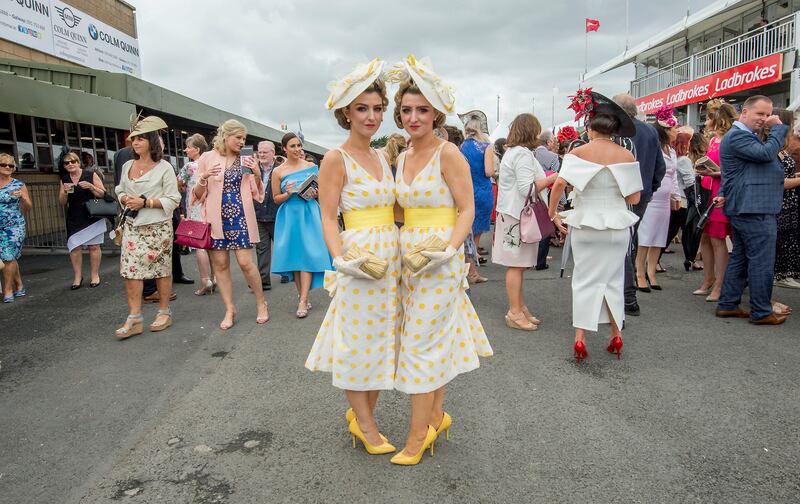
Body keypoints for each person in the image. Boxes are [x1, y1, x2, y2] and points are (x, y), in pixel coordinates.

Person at [388, 55, 492, 465]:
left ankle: (417, 439)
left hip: (440, 261)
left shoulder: (448, 153)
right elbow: (400, 211)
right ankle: (435, 418)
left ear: (436, 113)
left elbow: (466, 209)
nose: (414, 117)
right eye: (408, 110)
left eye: (423, 110)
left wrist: (449, 251)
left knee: (419, 345)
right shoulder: (400, 157)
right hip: (405, 259)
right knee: (428, 342)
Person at [306, 58, 398, 455]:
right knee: (357, 341)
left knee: (381, 340)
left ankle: (361, 414)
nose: (372, 116)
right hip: (358, 257)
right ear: (346, 112)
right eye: (362, 108)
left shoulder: (382, 156)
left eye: (378, 108)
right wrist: (339, 258)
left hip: (390, 256)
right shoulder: (334, 158)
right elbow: (328, 215)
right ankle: (365, 423)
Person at [549, 89, 643, 362]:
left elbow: (559, 184)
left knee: (584, 281)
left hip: (586, 225)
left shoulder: (578, 153)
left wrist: (554, 212)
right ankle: (616, 335)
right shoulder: (626, 155)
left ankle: (580, 339)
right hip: (616, 226)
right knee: (613, 280)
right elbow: (634, 197)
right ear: (614, 130)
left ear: (590, 128)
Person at [716, 95, 788, 325]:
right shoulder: (738, 136)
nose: (765, 119)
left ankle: (728, 304)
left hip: (749, 206)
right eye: (760, 114)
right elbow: (766, 154)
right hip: (753, 207)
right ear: (744, 112)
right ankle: (761, 311)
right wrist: (778, 129)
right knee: (761, 261)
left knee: (741, 258)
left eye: (768, 115)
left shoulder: (743, 135)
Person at [192, 120, 270, 330]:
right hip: (216, 219)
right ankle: (229, 309)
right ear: (226, 136)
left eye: (244, 139)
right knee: (221, 265)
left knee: (245, 262)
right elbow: (198, 196)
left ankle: (261, 303)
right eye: (239, 138)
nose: (242, 142)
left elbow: (257, 193)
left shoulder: (245, 158)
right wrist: (203, 178)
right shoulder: (207, 158)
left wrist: (256, 173)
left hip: (241, 217)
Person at [114, 116, 181, 338]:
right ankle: (134, 318)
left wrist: (146, 202)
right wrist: (125, 199)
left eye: (141, 139)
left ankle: (164, 312)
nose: (135, 143)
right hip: (133, 226)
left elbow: (173, 199)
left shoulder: (164, 168)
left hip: (158, 227)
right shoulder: (126, 165)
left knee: (161, 270)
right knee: (130, 272)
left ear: (152, 142)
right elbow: (119, 189)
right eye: (134, 139)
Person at [492, 113, 559, 330]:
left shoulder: (515, 152)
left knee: (518, 265)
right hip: (516, 216)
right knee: (516, 265)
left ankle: (519, 308)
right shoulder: (521, 154)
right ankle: (514, 311)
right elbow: (526, 189)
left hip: (514, 215)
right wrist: (550, 179)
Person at [613, 94, 666, 316]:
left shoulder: (617, 132)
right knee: (630, 240)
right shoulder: (649, 131)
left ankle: (627, 297)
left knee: (622, 244)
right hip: (642, 195)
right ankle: (628, 292)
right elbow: (659, 167)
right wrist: (650, 189)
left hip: (620, 195)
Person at [271, 132, 332, 318]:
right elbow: (275, 199)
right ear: (284, 149)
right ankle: (302, 296)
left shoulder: (312, 166)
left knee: (306, 255)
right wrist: (287, 193)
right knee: (296, 258)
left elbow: (321, 192)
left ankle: (303, 300)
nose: (297, 149)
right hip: (289, 215)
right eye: (293, 146)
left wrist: (315, 193)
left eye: (299, 145)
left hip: (309, 212)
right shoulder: (278, 171)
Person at [635, 106, 681, 292]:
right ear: (665, 129)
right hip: (652, 197)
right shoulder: (655, 147)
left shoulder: (672, 151)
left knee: (659, 237)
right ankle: (639, 273)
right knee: (645, 236)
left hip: (665, 200)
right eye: (673, 128)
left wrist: (676, 195)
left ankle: (652, 271)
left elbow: (673, 175)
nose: (676, 131)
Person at [695, 99, 736, 301]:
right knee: (704, 237)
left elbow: (733, 170)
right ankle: (709, 279)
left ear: (716, 119)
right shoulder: (712, 140)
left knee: (717, 239)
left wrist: (716, 173)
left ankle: (720, 285)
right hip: (707, 193)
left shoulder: (730, 139)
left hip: (721, 193)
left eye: (708, 117)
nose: (705, 121)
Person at [58, 151, 106, 289]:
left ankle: (95, 275)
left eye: (73, 161)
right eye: (67, 163)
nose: (70, 164)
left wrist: (91, 186)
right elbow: (62, 202)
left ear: (78, 163)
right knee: (75, 247)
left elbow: (103, 193)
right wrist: (65, 192)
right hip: (74, 215)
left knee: (94, 246)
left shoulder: (90, 175)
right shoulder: (64, 179)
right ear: (65, 166)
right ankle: (77, 277)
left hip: (92, 213)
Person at [180, 133, 215, 296]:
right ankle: (215, 278)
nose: (186, 150)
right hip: (211, 207)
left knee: (199, 245)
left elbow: (178, 183)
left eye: (188, 147)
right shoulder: (211, 164)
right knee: (212, 244)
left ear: (197, 149)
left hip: (195, 207)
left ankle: (205, 279)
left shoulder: (190, 167)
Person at [770, 108, 800, 289]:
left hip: (788, 201)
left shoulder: (781, 146)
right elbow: (778, 181)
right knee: (780, 240)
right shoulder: (776, 148)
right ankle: (778, 275)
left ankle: (783, 274)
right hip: (780, 202)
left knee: (787, 238)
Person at [460, 116, 494, 264]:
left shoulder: (461, 146)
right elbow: (489, 171)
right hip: (482, 187)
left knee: (469, 221)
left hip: (466, 188)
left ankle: (470, 252)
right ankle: (474, 250)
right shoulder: (486, 146)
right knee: (480, 221)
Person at [0, 153, 32, 303]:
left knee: (8, 257)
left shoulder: (18, 184)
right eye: (4, 165)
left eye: (11, 165)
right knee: (9, 258)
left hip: (14, 226)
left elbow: (27, 207)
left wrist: (23, 198)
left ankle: (7, 290)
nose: (7, 167)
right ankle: (19, 284)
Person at [533, 130, 562, 270]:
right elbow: (558, 178)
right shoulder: (553, 156)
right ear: (549, 142)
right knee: (545, 225)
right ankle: (540, 261)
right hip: (548, 193)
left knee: (531, 223)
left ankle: (529, 258)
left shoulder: (531, 154)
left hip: (531, 192)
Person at [253, 140, 278, 291]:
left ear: (273, 153)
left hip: (277, 215)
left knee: (281, 246)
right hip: (259, 214)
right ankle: (264, 281)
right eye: (259, 152)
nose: (261, 154)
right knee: (262, 249)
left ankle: (286, 273)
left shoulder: (281, 169)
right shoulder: (252, 169)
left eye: (265, 152)